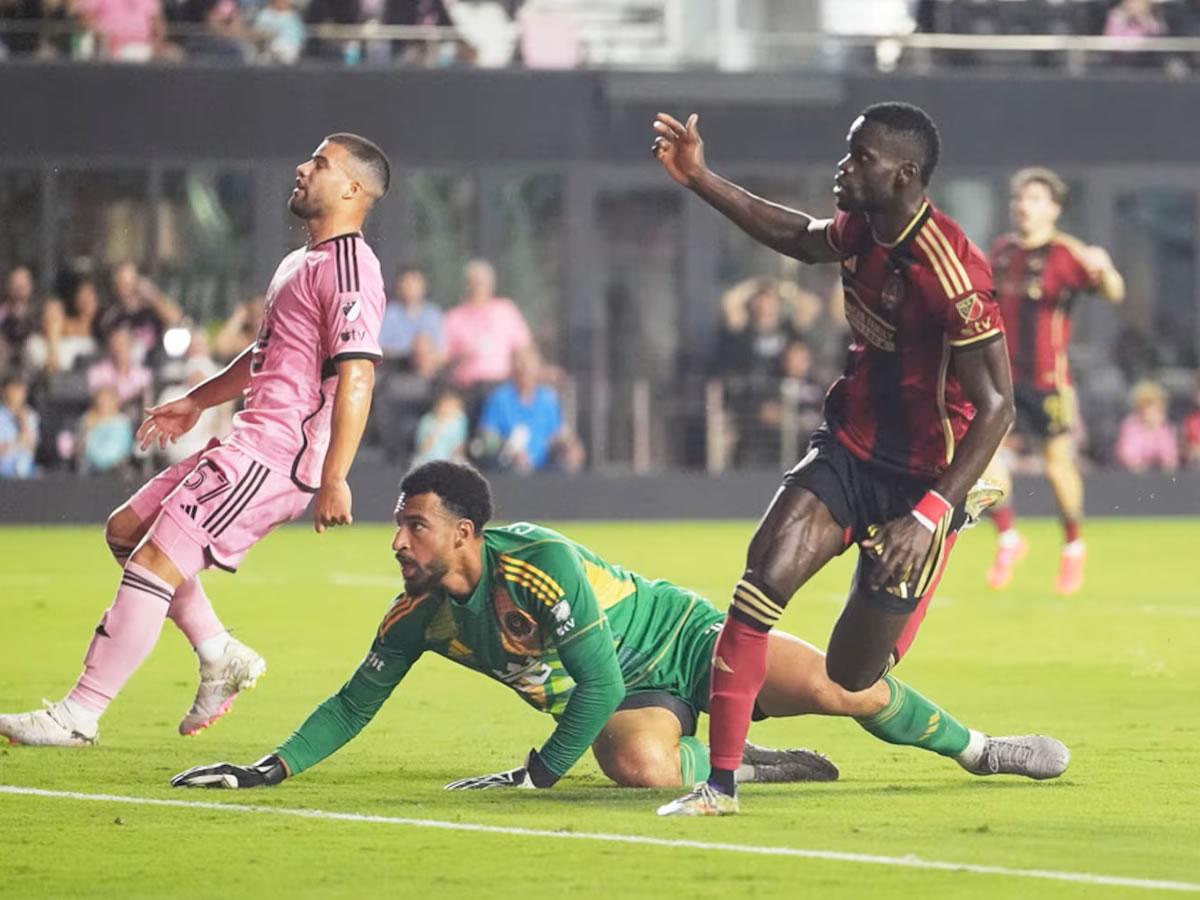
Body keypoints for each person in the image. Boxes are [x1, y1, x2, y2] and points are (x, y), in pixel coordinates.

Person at [170, 462, 1067, 793]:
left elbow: (594, 683)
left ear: (463, 535)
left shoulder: (538, 562)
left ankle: (982, 750)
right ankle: (742, 758)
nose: (397, 540)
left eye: (414, 525)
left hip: (678, 643)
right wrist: (268, 769)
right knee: (636, 765)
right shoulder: (416, 616)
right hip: (634, 699)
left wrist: (535, 776)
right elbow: (350, 703)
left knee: (847, 686)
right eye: (400, 525)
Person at [650, 102, 1017, 815]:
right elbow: (801, 236)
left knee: (852, 674)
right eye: (848, 154)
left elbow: (999, 404)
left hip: (922, 479)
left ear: (905, 173)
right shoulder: (864, 227)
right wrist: (699, 177)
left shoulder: (955, 273)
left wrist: (932, 509)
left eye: (861, 158)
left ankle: (963, 509)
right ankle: (719, 786)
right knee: (758, 587)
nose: (843, 169)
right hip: (848, 446)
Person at [0, 133, 392, 748]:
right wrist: (197, 399)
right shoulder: (302, 262)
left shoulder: (351, 267)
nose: (302, 167)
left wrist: (336, 474)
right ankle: (218, 652)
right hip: (248, 440)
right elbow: (266, 355)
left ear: (352, 188)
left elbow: (358, 372)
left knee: (156, 560)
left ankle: (79, 714)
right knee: (126, 532)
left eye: (319, 163)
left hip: (276, 457)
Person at [983, 167, 1124, 595]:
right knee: (979, 460)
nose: (1024, 206)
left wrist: (1105, 269)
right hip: (1001, 377)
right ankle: (1009, 538)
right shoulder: (1003, 252)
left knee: (1057, 465)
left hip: (1048, 380)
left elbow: (1113, 292)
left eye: (1035, 198)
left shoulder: (1066, 254)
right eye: (1020, 198)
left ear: (1054, 208)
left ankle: (1072, 549)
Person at [476, 345, 582, 474]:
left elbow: (559, 433)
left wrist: (571, 446)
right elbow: (487, 435)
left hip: (543, 471)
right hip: (508, 470)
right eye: (521, 367)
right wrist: (510, 450)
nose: (525, 372)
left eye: (529, 368)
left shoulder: (546, 399)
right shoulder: (500, 398)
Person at [443, 259, 532, 391]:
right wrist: (461, 357)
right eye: (475, 282)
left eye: (483, 282)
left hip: (502, 384)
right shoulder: (453, 317)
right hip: (467, 386)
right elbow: (443, 360)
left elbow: (523, 348)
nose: (479, 287)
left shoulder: (506, 310)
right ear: (467, 285)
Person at [379, 265, 444, 365]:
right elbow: (380, 347)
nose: (411, 288)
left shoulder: (433, 314)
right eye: (407, 283)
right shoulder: (389, 314)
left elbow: (441, 350)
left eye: (415, 283)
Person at [1114, 380, 1179, 473]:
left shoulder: (1165, 428)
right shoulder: (1131, 427)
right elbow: (1128, 457)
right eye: (1152, 407)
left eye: (1160, 409)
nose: (1157, 413)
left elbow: (1171, 459)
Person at [78, 384, 135, 474]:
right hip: (91, 467)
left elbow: (126, 448)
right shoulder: (88, 419)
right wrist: (89, 429)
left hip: (116, 468)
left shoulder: (123, 421)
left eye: (108, 399)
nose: (104, 403)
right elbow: (80, 448)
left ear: (116, 401)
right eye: (101, 400)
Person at [411, 388, 468, 466]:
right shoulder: (427, 420)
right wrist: (436, 430)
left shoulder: (460, 420)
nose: (448, 410)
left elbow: (459, 446)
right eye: (445, 406)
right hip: (426, 460)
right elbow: (421, 449)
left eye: (452, 407)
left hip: (449, 461)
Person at [0, 372, 38, 478]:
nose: (19, 393)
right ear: (5, 390)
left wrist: (24, 423)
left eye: (22, 389)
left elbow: (31, 449)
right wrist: (19, 441)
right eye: (15, 388)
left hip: (25, 475)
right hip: (3, 475)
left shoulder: (30, 416)